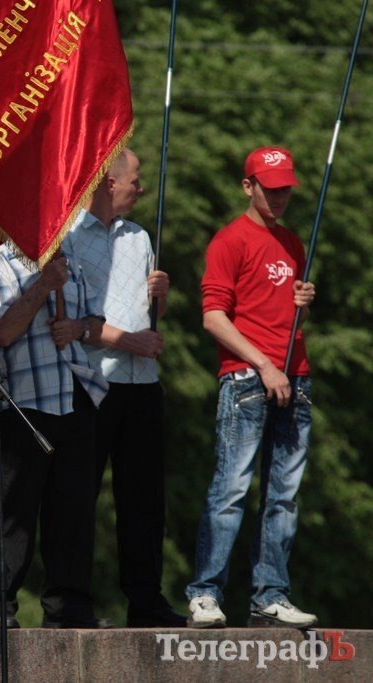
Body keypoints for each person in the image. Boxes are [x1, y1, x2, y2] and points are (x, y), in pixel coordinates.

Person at [186, 146, 317, 629]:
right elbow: (213, 317)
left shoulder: (293, 243)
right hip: (246, 379)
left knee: (283, 496)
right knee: (231, 489)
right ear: (248, 186)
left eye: (286, 187)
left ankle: (271, 595)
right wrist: (263, 364)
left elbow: (283, 310)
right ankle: (204, 593)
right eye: (271, 187)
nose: (280, 195)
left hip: (295, 378)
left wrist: (304, 301)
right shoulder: (229, 240)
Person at [63, 148, 184, 627]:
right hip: (94, 381)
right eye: (134, 180)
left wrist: (162, 301)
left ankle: (146, 599)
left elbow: (150, 323)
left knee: (144, 499)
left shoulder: (138, 237)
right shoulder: (69, 236)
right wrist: (130, 340)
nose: (140, 188)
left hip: (143, 384)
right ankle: (72, 601)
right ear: (108, 182)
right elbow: (70, 320)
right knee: (79, 496)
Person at [0, 244, 109, 629]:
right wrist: (43, 283)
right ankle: (0, 605)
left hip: (76, 393)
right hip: (25, 400)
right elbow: (2, 331)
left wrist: (79, 328)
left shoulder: (71, 258)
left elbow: (96, 324)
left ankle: (69, 608)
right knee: (15, 508)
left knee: (74, 510)